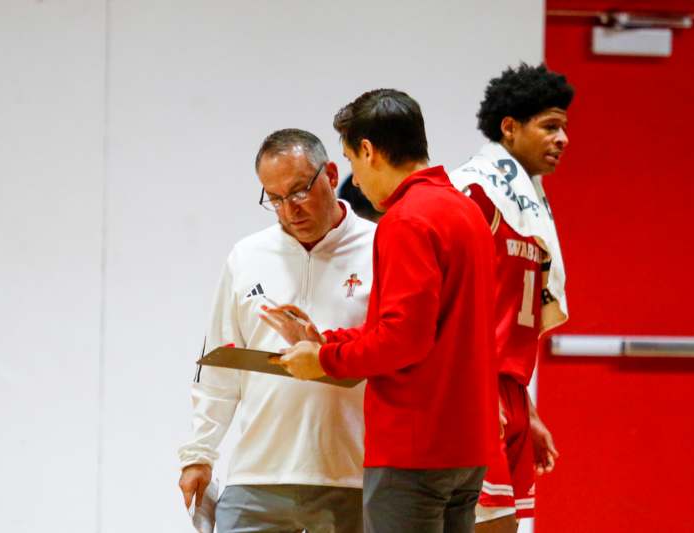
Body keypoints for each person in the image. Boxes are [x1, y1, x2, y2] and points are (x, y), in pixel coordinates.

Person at [263, 89, 499, 533]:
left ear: (368, 151)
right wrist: (329, 342)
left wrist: (324, 361)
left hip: (414, 449)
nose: (356, 177)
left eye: (351, 161)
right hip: (467, 448)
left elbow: (404, 339)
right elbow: (430, 327)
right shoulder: (467, 213)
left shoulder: (406, 219)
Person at [177, 128, 376, 533]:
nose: (290, 210)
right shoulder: (247, 256)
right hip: (257, 477)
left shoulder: (380, 247)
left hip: (351, 477)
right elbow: (219, 365)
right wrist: (199, 454)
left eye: (300, 191)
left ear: (332, 173)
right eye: (275, 198)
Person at [448, 63, 574, 532]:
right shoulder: (474, 192)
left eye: (564, 128)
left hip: (511, 393)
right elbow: (449, 306)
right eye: (550, 126)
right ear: (509, 127)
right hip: (477, 392)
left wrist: (528, 407)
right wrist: (478, 390)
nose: (563, 139)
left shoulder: (531, 201)